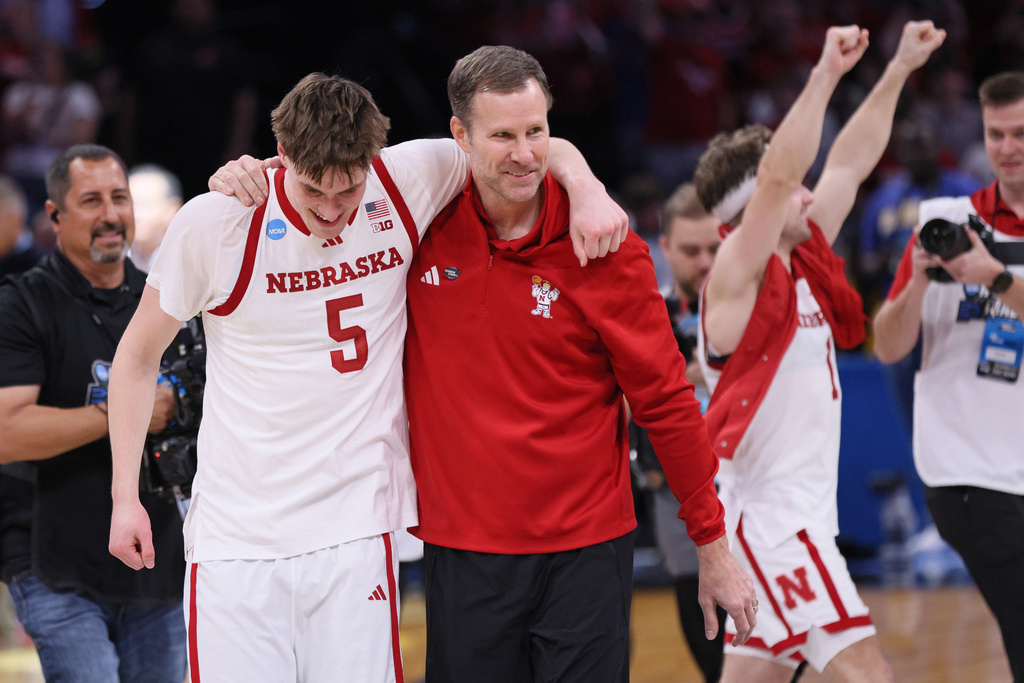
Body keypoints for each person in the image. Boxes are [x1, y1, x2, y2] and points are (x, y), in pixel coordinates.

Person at [110, 72, 626, 683]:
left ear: (374, 162)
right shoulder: (218, 222)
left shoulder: (409, 179)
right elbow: (137, 359)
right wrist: (124, 497)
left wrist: (588, 187)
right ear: (282, 157)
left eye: (349, 192)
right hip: (235, 539)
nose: (332, 212)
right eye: (313, 192)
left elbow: (522, 147)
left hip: (355, 530)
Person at [404, 45, 754, 683]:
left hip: (585, 552)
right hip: (464, 551)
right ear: (460, 135)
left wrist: (713, 545)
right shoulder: (416, 228)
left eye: (536, 132)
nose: (524, 153)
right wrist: (252, 176)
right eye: (502, 135)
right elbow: (329, 185)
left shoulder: (606, 246)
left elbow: (667, 402)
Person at [691, 22, 945, 682]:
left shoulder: (801, 256)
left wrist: (899, 68)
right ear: (759, 207)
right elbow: (782, 175)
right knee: (869, 672)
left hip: (788, 519)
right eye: (794, 187)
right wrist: (823, 74)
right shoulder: (735, 275)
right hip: (774, 526)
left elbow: (851, 162)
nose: (811, 192)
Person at [0, 144, 186, 683]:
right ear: (54, 216)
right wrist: (126, 411)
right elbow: (7, 434)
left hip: (160, 562)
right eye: (90, 201)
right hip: (52, 563)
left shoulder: (167, 301)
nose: (110, 215)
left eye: (119, 198)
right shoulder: (22, 304)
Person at [872, 70, 1024, 683]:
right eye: (995, 135)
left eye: (1019, 133)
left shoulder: (986, 256)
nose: (1008, 148)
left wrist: (992, 277)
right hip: (967, 470)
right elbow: (887, 347)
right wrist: (916, 281)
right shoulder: (946, 220)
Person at [635, 182, 724, 682]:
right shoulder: (648, 316)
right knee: (705, 631)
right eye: (692, 250)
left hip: (753, 489)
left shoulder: (759, 310)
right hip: (676, 494)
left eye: (715, 248)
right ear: (664, 247)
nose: (706, 261)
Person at [127, 164, 183, 272]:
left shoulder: (188, 261)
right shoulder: (112, 256)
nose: (134, 213)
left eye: (144, 204)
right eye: (128, 203)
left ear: (172, 211)